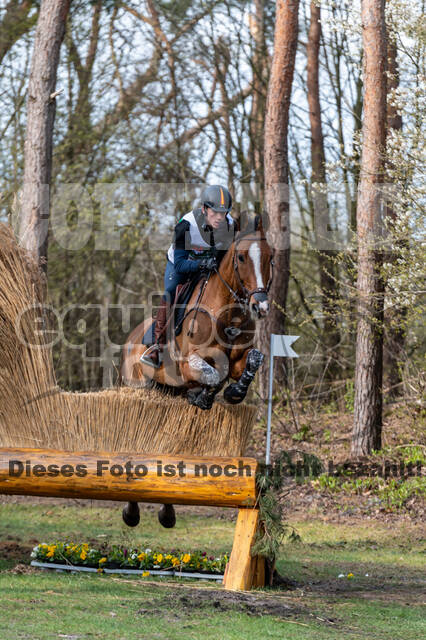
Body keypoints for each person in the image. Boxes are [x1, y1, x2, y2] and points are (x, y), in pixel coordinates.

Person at [143, 185, 235, 367]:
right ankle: (157, 346)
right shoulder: (186, 225)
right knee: (170, 291)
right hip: (181, 265)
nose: (219, 218)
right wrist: (201, 264)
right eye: (215, 212)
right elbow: (180, 264)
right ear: (204, 209)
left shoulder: (230, 225)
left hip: (208, 266)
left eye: (223, 213)